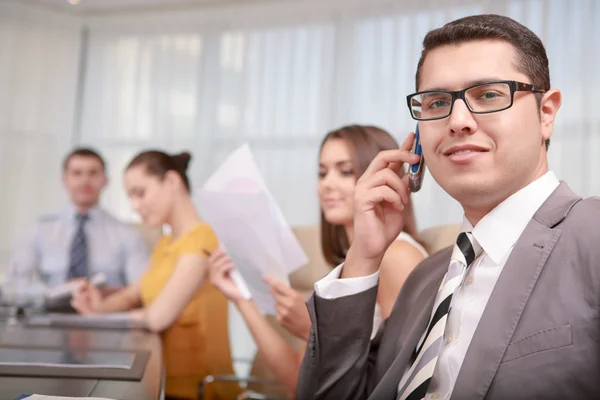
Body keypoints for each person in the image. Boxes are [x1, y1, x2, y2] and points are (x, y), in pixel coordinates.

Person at [296, 14, 600, 400]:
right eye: (437, 102)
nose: (458, 121)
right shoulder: (423, 280)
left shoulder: (592, 236)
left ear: (546, 113)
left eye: (488, 95)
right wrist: (363, 257)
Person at [208, 125, 428, 396]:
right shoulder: (349, 269)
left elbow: (396, 380)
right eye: (322, 173)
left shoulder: (396, 256)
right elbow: (298, 383)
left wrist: (315, 331)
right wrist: (242, 300)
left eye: (345, 171)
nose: (327, 184)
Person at [71, 150, 237, 400]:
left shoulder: (202, 239)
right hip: (161, 383)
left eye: (140, 193)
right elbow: (131, 294)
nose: (135, 206)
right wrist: (99, 307)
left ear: (171, 181)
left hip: (196, 391)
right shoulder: (166, 243)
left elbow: (158, 317)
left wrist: (104, 318)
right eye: (130, 197)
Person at [6, 147, 149, 295]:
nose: (85, 180)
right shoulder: (38, 230)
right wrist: (54, 293)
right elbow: (16, 285)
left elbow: (142, 288)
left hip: (104, 315)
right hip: (47, 314)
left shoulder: (127, 234)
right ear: (64, 180)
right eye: (77, 173)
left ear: (105, 180)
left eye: (93, 173)